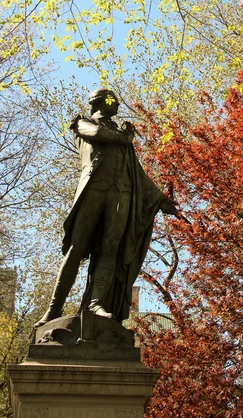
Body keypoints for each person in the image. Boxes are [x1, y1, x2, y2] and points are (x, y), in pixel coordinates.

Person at [35, 88, 177, 327]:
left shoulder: (122, 139)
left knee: (111, 249)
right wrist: (125, 138)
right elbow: (98, 133)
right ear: (97, 102)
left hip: (121, 194)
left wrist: (161, 199)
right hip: (93, 191)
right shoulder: (84, 123)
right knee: (76, 249)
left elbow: (137, 173)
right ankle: (53, 310)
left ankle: (96, 304)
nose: (116, 105)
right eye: (112, 100)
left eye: (117, 102)